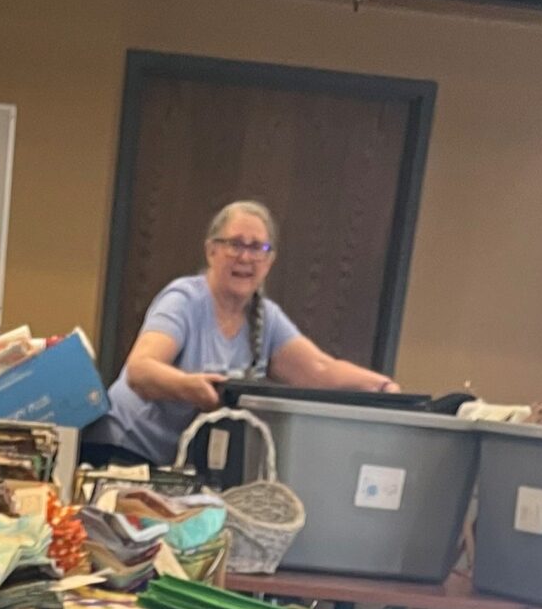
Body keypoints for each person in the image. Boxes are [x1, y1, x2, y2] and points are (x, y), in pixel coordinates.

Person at [97, 198, 397, 468]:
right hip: (120, 449)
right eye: (235, 244)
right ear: (211, 251)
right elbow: (140, 371)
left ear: (269, 261)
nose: (245, 257)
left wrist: (380, 386)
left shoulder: (267, 318)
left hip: (175, 464)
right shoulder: (184, 300)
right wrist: (189, 387)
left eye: (257, 248)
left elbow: (319, 369)